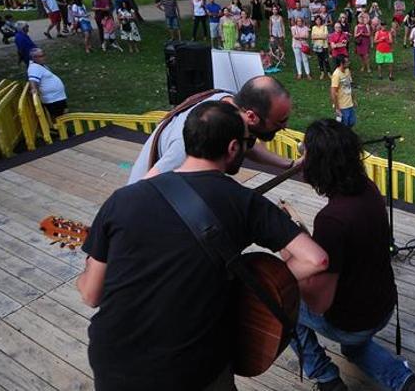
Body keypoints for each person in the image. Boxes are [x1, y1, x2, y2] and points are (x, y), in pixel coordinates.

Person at [78, 101, 328, 390]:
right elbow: (315, 260)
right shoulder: (244, 202)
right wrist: (254, 289)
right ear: (234, 148)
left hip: (115, 365)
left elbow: (90, 295)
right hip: (192, 368)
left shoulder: (122, 199)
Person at [291, 119, 415, 391]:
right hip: (383, 305)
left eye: (304, 152)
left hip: (353, 322)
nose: (301, 158)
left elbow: (318, 303)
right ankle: (404, 381)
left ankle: (326, 378)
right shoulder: (367, 187)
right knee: (354, 348)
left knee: (281, 303)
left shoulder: (332, 220)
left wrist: (290, 251)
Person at [128, 76, 300, 184]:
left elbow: (246, 143)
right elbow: (144, 187)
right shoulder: (190, 144)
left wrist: (288, 164)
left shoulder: (232, 109)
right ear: (252, 116)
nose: (284, 127)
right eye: (279, 122)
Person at [27, 48, 67, 121]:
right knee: (58, 117)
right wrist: (34, 89)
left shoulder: (40, 65)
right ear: (34, 58)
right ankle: (61, 130)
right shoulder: (34, 68)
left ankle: (62, 129)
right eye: (41, 56)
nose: (44, 57)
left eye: (44, 55)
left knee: (62, 114)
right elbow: (32, 80)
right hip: (52, 99)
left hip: (56, 97)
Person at [330, 55, 356, 127]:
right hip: (342, 106)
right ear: (342, 63)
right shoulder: (336, 75)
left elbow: (350, 86)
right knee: (344, 125)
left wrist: (353, 99)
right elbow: (333, 92)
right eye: (347, 62)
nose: (349, 63)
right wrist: (337, 108)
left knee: (352, 122)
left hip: (349, 103)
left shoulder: (347, 71)